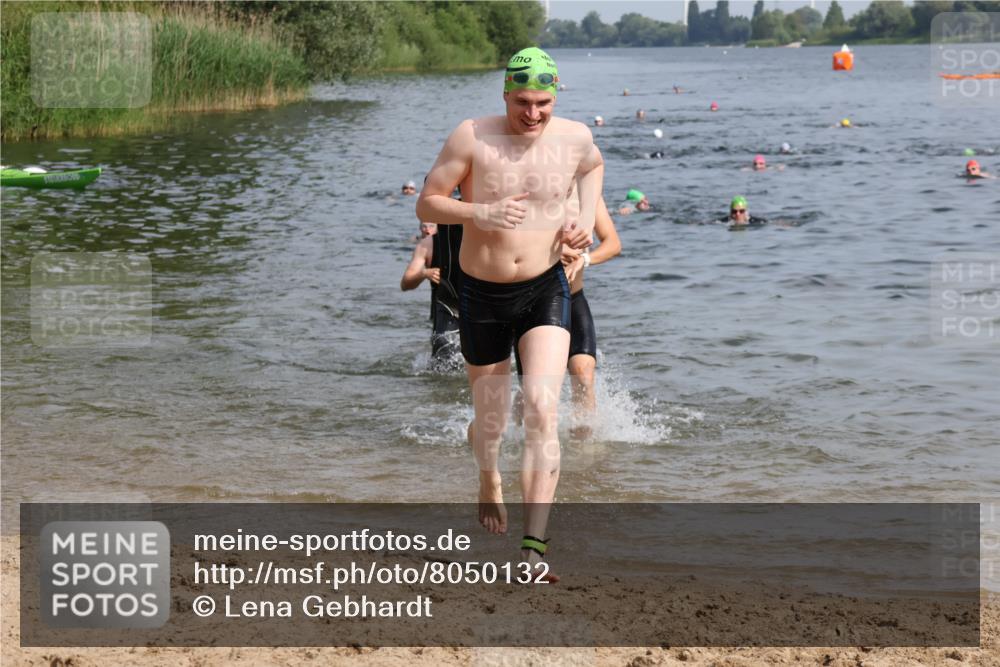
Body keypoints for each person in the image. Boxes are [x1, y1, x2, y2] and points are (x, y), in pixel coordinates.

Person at [416, 46, 603, 579]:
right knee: (492, 421)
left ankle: (533, 550)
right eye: (522, 101)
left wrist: (583, 222)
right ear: (505, 93)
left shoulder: (573, 137)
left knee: (544, 407)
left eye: (543, 102)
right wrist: (481, 211)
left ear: (555, 96)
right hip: (481, 292)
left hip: (545, 287)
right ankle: (487, 478)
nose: (533, 113)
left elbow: (593, 167)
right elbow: (427, 202)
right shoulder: (472, 135)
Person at [514, 195, 621, 441]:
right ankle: (516, 435)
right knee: (534, 391)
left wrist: (585, 258)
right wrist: (550, 250)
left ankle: (582, 453)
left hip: (573, 298)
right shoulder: (532, 187)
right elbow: (509, 242)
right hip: (535, 303)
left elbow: (613, 243)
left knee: (583, 374)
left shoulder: (588, 194)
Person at [400, 221, 462, 363]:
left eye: (431, 226)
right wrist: (424, 273)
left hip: (474, 308)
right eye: (424, 226)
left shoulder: (475, 238)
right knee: (443, 362)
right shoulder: (427, 244)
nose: (427, 230)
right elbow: (405, 283)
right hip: (442, 311)